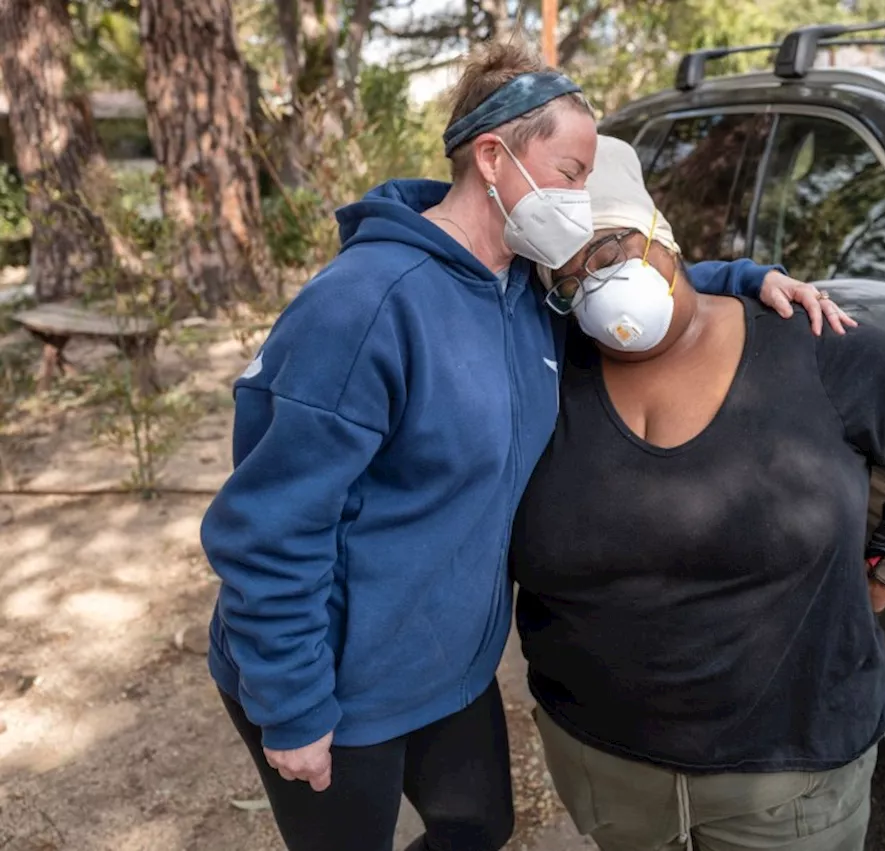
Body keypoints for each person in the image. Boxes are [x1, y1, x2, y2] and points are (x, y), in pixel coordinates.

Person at [200, 43, 849, 851]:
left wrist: (747, 280)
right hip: (341, 674)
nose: (584, 197)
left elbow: (637, 272)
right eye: (573, 171)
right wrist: (293, 704)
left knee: (480, 823)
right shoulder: (365, 308)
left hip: (448, 664)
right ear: (493, 156)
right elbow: (268, 529)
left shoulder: (521, 289)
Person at [509, 135, 885, 851]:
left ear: (658, 230)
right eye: (567, 278)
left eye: (607, 251)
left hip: (792, 782)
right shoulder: (542, 369)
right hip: (607, 773)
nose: (595, 287)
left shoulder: (810, 343)